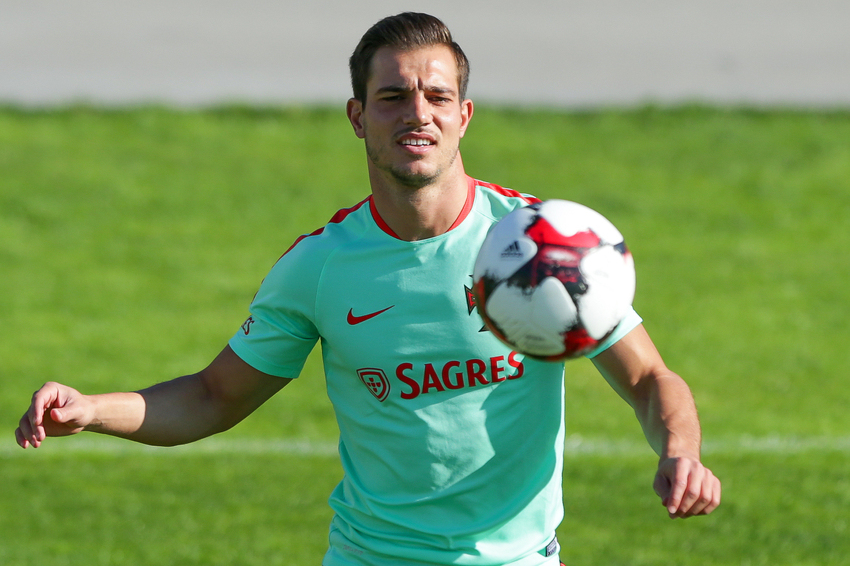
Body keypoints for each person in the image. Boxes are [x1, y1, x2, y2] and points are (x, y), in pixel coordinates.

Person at [15, 12, 720, 566]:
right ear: (358, 117)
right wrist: (91, 409)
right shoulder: (320, 266)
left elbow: (650, 378)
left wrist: (679, 451)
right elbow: (211, 396)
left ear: (464, 116)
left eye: (438, 95)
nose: (419, 112)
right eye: (393, 96)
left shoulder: (545, 242)